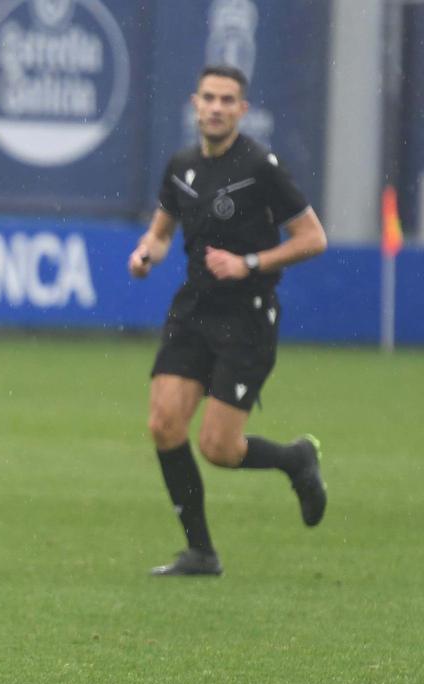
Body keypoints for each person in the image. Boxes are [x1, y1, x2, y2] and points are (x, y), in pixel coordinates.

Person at [127, 65, 329, 576]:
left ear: (242, 109)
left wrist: (250, 264)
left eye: (228, 100)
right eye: (209, 98)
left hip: (248, 316)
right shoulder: (180, 164)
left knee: (218, 447)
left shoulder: (261, 166)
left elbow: (313, 238)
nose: (216, 107)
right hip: (195, 307)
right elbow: (161, 231)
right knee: (163, 423)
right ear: (195, 103)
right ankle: (201, 552)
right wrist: (145, 253)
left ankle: (295, 460)